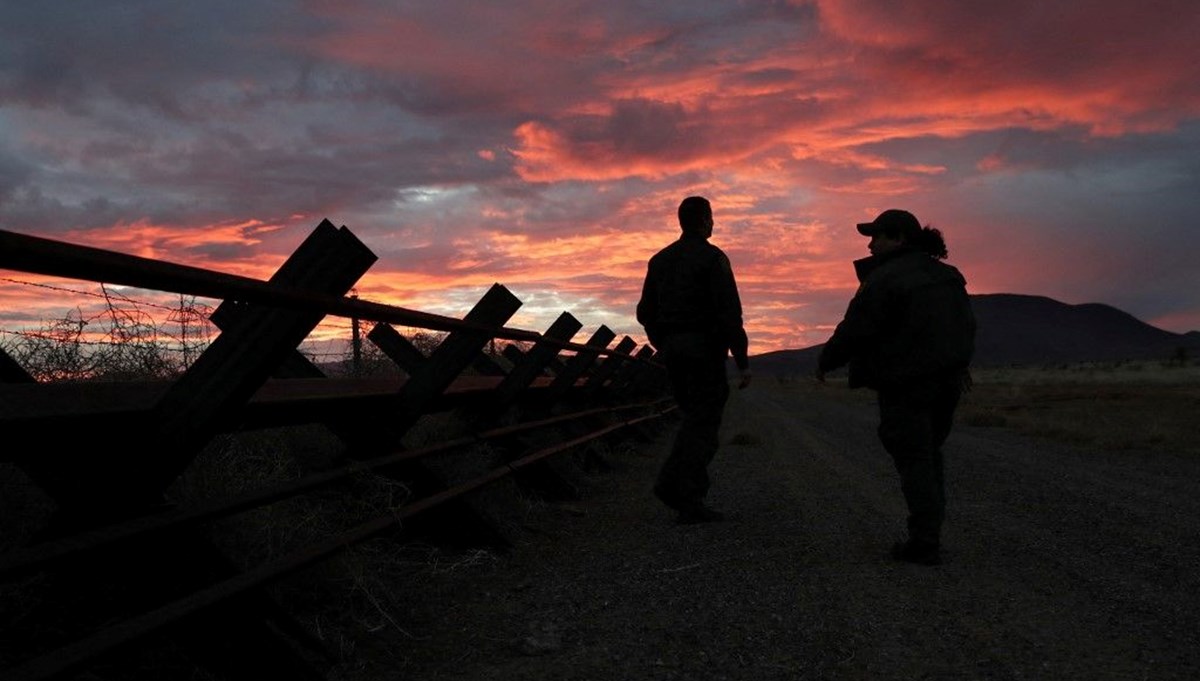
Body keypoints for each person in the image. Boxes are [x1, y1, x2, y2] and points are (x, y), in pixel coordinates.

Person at [816, 209, 975, 565]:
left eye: (877, 237)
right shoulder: (949, 276)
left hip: (906, 384)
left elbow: (855, 328)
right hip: (947, 382)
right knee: (929, 454)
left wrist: (826, 361)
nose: (870, 245)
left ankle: (924, 543)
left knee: (915, 457)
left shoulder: (886, 279)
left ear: (899, 239)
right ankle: (928, 534)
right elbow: (967, 325)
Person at [637, 196, 752, 524]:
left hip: (674, 350)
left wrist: (664, 342)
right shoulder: (713, 259)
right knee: (704, 423)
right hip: (704, 351)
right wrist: (741, 360)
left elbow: (645, 312)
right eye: (711, 218)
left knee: (692, 418)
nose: (713, 224)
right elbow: (730, 312)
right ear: (704, 220)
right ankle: (684, 496)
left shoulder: (659, 261)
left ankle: (675, 486)